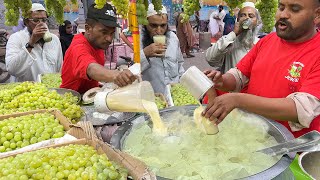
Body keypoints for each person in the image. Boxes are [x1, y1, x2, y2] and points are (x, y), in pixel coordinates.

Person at [203, 0, 320, 138]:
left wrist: (238, 100)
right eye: (281, 7)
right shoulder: (268, 40)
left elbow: (299, 109)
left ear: (317, 15)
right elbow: (240, 75)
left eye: (294, 9)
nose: (283, 15)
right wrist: (221, 80)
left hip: (290, 149)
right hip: (253, 136)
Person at [60, 3, 136, 94]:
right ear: (88, 29)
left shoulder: (97, 44)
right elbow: (91, 68)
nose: (109, 38)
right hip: (72, 101)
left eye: (112, 33)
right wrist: (115, 74)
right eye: (104, 32)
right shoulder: (78, 47)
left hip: (90, 96)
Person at [5, 3, 63, 82]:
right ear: (26, 22)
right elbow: (12, 69)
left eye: (44, 20)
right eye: (36, 20)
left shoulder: (54, 39)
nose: (41, 24)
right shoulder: (16, 38)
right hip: (26, 92)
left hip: (50, 91)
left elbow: (60, 68)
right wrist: (31, 42)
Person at [140, 4, 185, 94]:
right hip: (153, 98)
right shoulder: (139, 40)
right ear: (145, 24)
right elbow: (132, 71)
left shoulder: (173, 38)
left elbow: (180, 65)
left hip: (175, 96)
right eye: (154, 26)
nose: (159, 30)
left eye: (163, 25)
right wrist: (144, 54)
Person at [206, 2, 261, 74]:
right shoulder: (229, 42)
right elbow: (210, 59)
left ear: (257, 22)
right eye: (243, 15)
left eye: (251, 16)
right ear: (237, 20)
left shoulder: (261, 44)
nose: (247, 18)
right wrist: (233, 34)